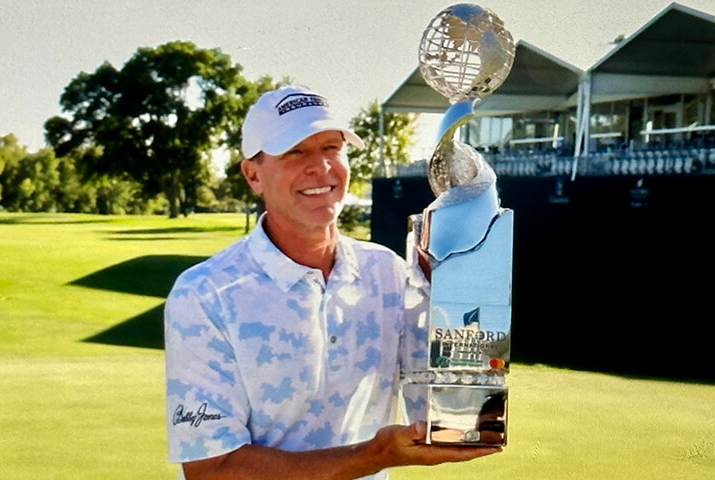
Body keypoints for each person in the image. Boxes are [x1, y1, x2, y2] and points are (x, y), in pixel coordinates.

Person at [164, 85, 500, 480]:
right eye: (295, 151)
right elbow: (212, 470)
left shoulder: (388, 273)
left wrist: (466, 280)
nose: (321, 167)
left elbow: (455, 420)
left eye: (332, 148)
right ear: (252, 175)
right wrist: (376, 454)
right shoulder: (205, 294)